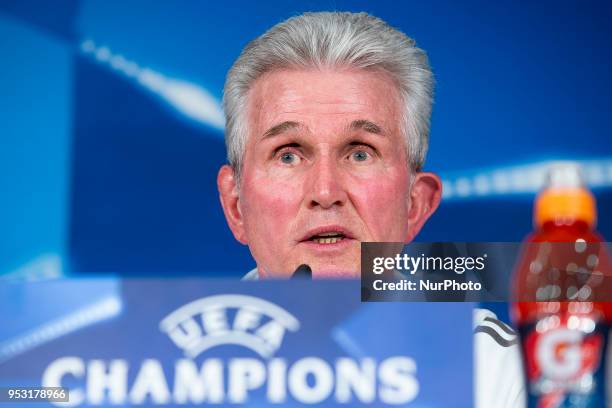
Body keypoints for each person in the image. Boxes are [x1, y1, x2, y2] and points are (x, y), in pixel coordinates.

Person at [217, 11, 523, 407]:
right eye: (288, 155)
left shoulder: (504, 375)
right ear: (236, 206)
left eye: (360, 153)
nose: (325, 191)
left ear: (416, 204)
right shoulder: (150, 370)